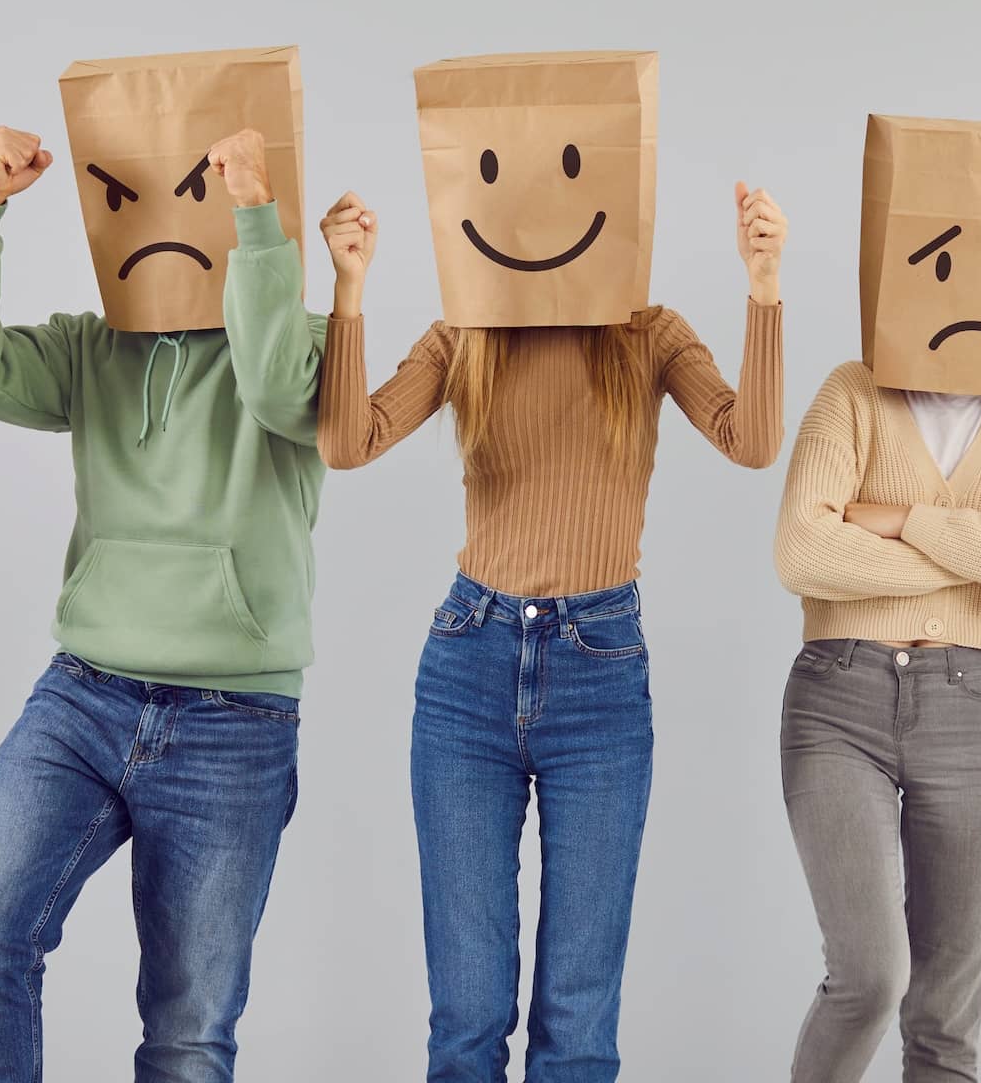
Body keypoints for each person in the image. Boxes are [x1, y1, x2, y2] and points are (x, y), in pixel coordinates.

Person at [314, 180, 786, 1082]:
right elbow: (348, 440)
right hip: (467, 668)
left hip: (598, 678)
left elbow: (753, 439)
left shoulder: (649, 332)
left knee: (577, 1022)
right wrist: (349, 290)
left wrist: (762, 286)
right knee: (467, 1015)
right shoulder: (467, 333)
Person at [0, 125, 324, 1083]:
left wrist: (258, 218)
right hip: (84, 696)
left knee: (188, 1032)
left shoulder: (304, 340)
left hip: (237, 722)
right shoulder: (87, 348)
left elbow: (279, 395)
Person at [771, 364, 981, 1082]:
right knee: (870, 977)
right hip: (838, 700)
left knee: (946, 1014)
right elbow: (803, 552)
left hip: (974, 704)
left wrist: (902, 520)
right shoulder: (853, 393)